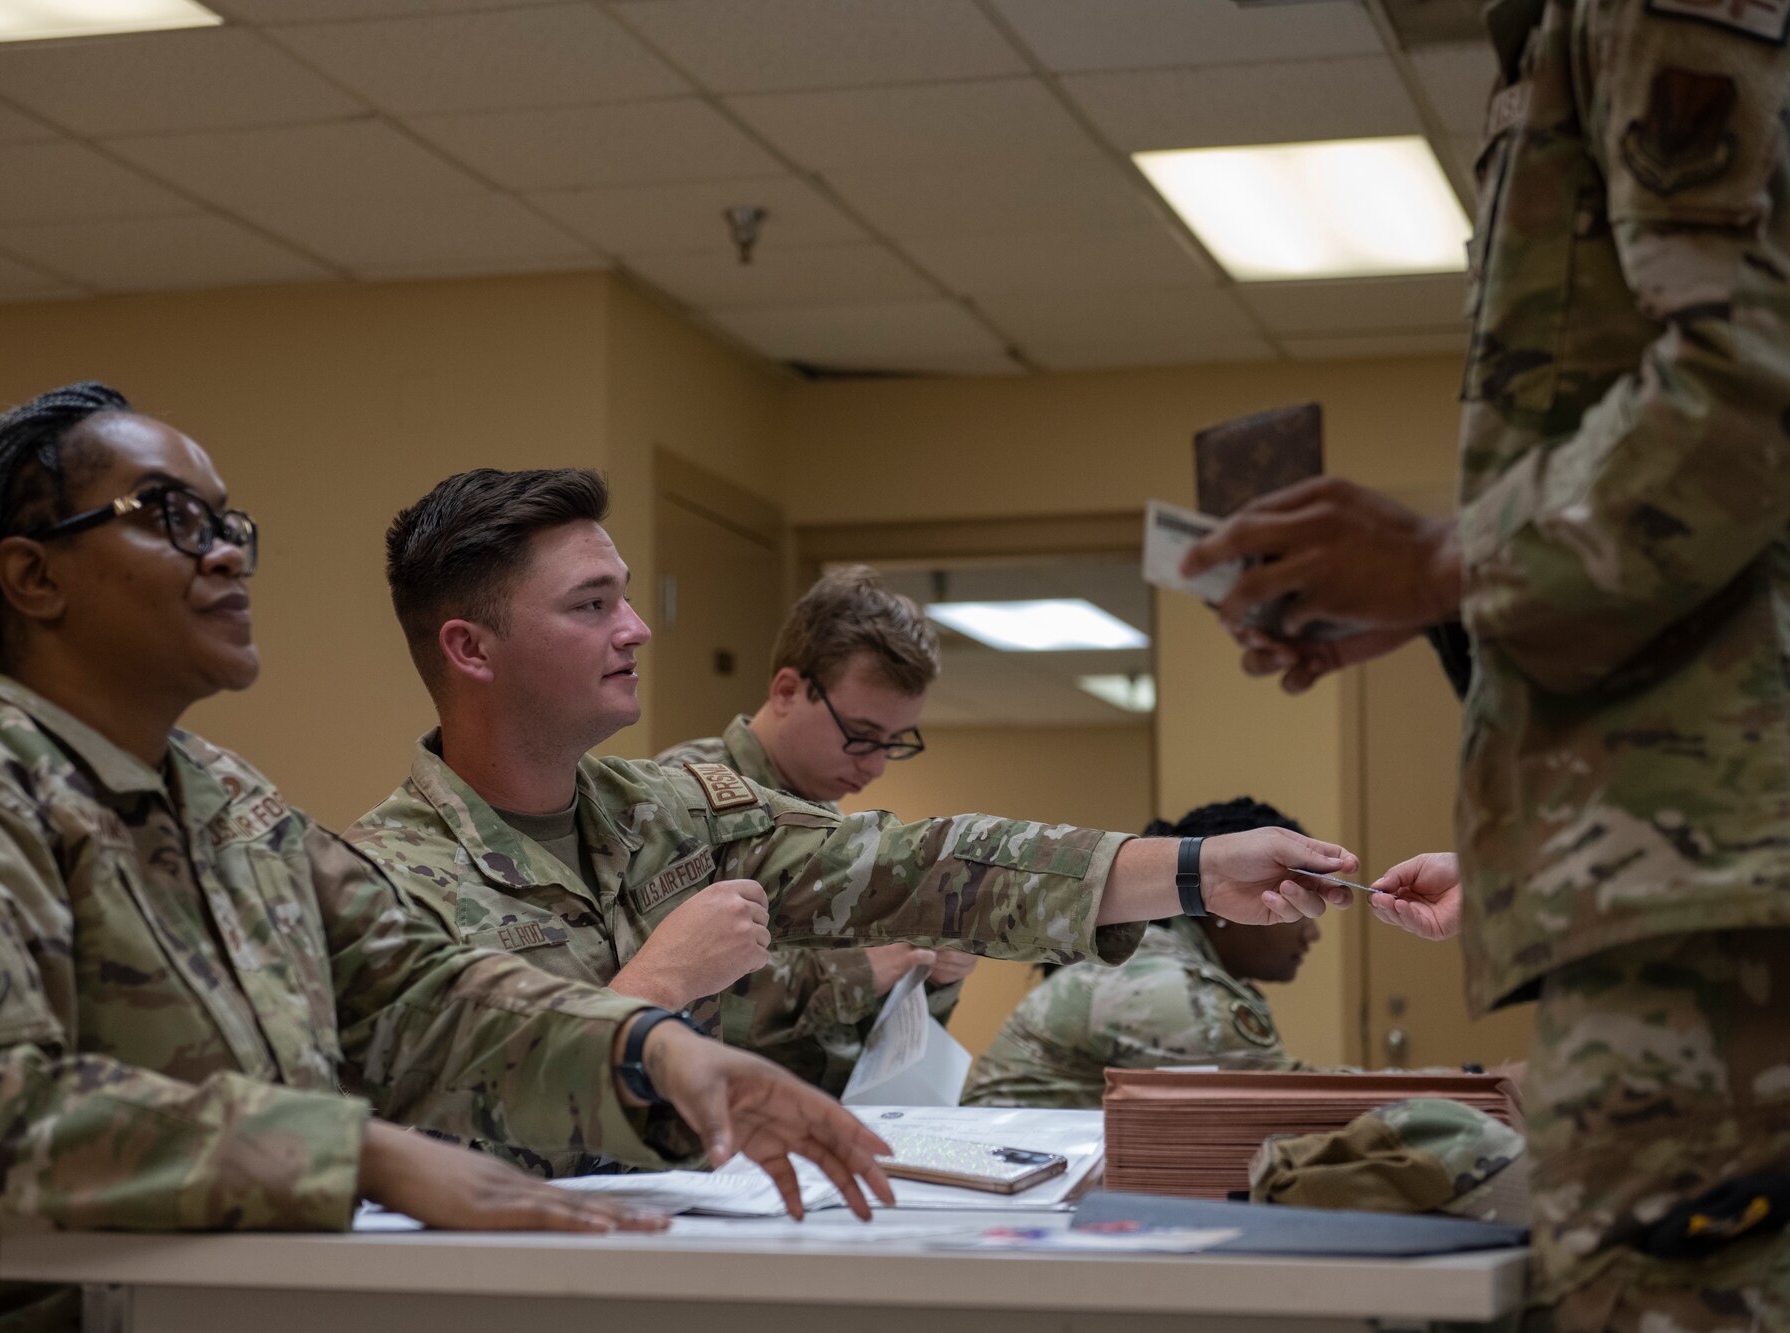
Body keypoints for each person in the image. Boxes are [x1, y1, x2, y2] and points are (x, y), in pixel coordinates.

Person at [0, 386, 899, 1333]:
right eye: (171, 518)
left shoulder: (220, 796)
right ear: (33, 577)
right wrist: (355, 1151)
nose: (224, 552)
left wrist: (653, 1052)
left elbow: (424, 993)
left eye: (228, 522)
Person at [1179, 1, 1790, 1324]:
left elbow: (1777, 374)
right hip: (1694, 878)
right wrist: (1444, 600)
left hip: (1721, 903)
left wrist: (1449, 562)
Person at [345, 466, 1360, 1175]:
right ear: (472, 650)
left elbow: (925, 864)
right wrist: (655, 993)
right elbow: (424, 1152)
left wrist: (1194, 868)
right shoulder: (374, 884)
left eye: (625, 597)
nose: (637, 627)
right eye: (592, 605)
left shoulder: (668, 815)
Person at [654, 565, 976, 1096]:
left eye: (894, 742)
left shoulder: (831, 828)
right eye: (862, 735)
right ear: (786, 691)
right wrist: (860, 971)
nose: (876, 767)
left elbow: (867, 1044)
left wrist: (934, 979)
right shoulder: (678, 798)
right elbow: (672, 999)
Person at [963, 798, 1317, 1109]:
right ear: (1228, 908)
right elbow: (1303, 1103)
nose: (1311, 932)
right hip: (1016, 1172)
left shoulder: (1156, 959)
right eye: (1291, 904)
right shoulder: (1164, 984)